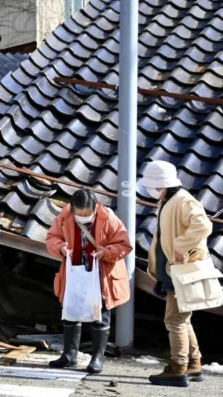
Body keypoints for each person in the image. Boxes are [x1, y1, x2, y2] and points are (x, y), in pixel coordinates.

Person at [141, 160, 213, 388]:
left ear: (161, 184)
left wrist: (182, 246)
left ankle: (177, 367)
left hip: (181, 270)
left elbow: (203, 226)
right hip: (174, 270)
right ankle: (193, 363)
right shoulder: (171, 199)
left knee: (175, 319)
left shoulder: (182, 200)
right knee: (183, 319)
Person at [45, 188, 132, 374]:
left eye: (87, 214)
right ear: (73, 208)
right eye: (79, 214)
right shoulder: (64, 216)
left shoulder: (109, 218)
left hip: (101, 273)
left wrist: (106, 253)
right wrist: (61, 248)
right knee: (70, 311)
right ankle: (69, 355)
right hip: (74, 271)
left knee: (100, 314)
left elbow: (124, 244)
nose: (83, 217)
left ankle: (97, 358)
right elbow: (52, 238)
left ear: (95, 208)